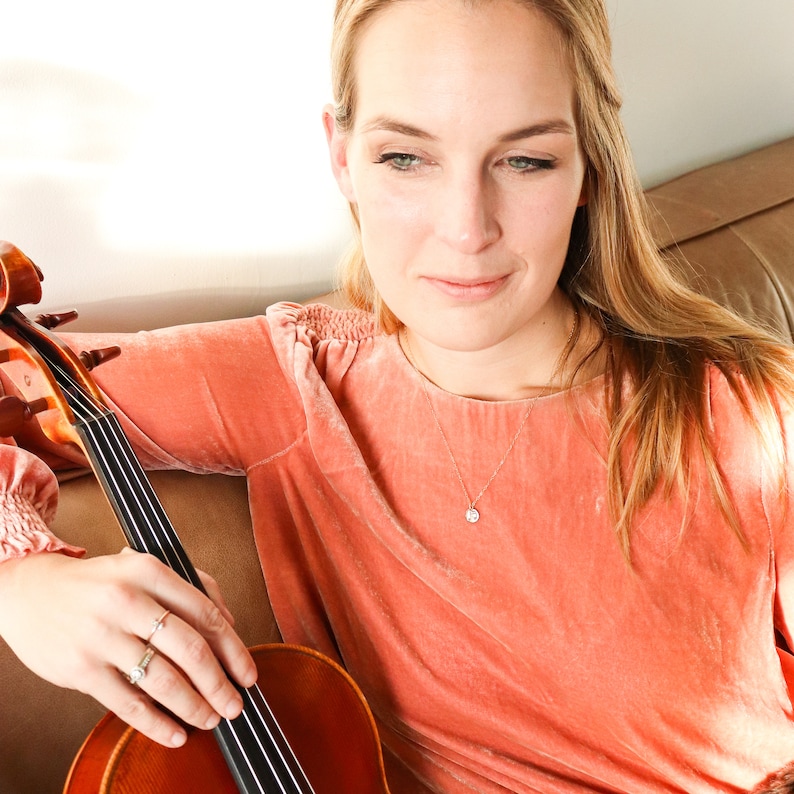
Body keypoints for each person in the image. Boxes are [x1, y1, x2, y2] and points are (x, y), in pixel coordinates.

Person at [1, 0, 794, 791]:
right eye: (405, 158)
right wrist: (27, 580)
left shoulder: (749, 411)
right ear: (341, 155)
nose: (466, 228)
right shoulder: (298, 379)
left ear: (590, 163)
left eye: (525, 161)